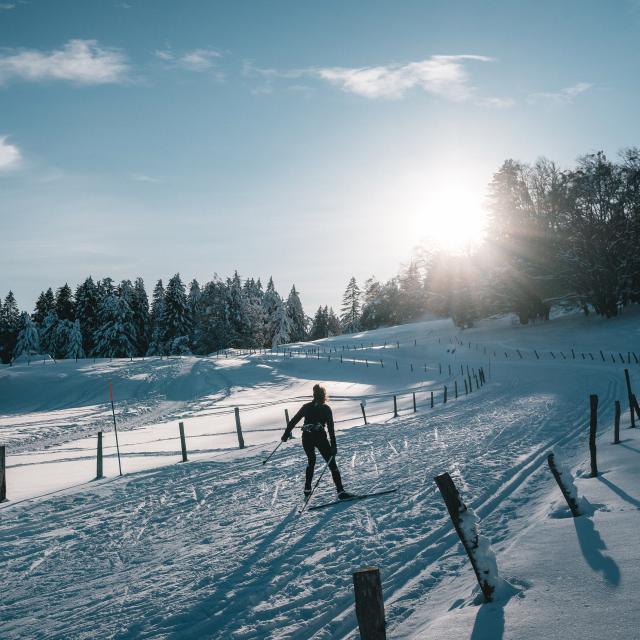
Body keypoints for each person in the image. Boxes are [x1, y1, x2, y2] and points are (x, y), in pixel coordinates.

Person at [281, 384, 352, 500]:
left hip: (307, 437)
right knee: (331, 463)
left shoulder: (306, 407)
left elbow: (293, 421)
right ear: (323, 396)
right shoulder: (326, 409)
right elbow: (330, 429)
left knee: (311, 461)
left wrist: (285, 434)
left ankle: (307, 489)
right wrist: (333, 445)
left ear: (314, 395)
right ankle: (340, 491)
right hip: (320, 438)